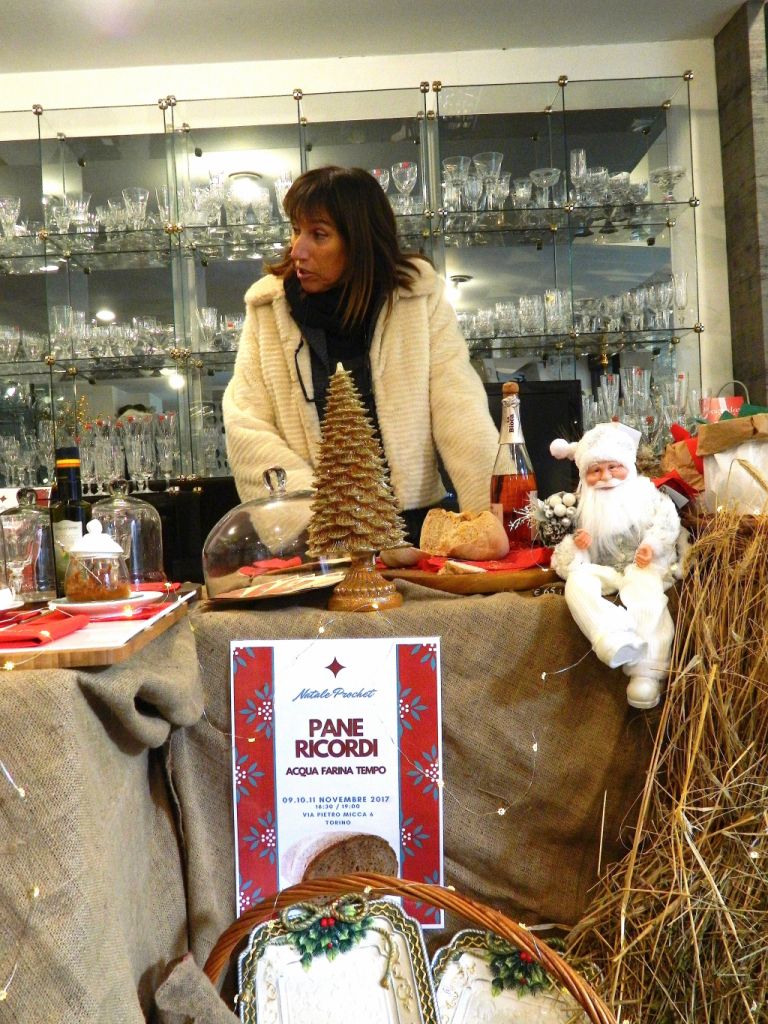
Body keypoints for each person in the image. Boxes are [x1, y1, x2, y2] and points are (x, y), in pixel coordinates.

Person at [222, 165, 499, 545]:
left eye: (319, 234)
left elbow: (461, 410)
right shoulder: (267, 309)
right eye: (296, 230)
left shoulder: (417, 299)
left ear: (360, 241)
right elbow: (246, 425)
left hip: (413, 533)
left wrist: (493, 522)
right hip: (314, 538)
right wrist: (318, 517)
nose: (297, 250)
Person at [549, 422, 685, 710]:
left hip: (642, 567)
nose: (606, 476)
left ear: (627, 465)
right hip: (606, 569)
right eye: (595, 470)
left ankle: (646, 671)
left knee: (647, 596)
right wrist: (579, 546)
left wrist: (651, 545)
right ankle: (612, 637)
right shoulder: (579, 506)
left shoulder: (646, 495)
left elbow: (667, 521)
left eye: (613, 467)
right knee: (577, 584)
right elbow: (561, 560)